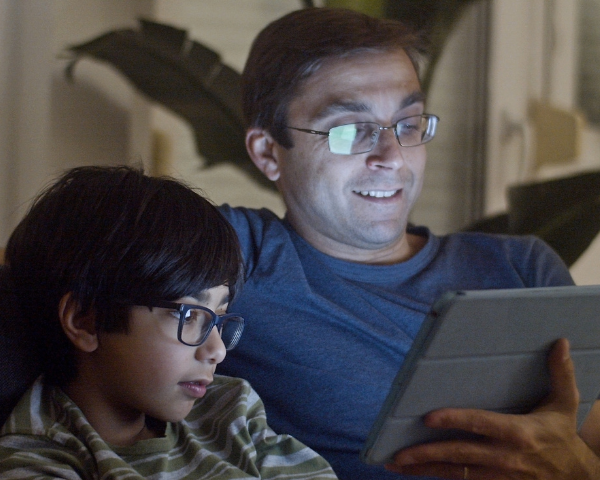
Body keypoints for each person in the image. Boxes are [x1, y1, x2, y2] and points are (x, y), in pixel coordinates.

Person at [215, 7, 600, 480]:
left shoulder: (521, 267)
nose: (393, 157)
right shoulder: (236, 255)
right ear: (267, 152)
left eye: (409, 123)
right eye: (352, 130)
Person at [0, 166, 337, 479]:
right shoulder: (41, 457)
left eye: (218, 319)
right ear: (86, 321)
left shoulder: (230, 410)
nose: (217, 350)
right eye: (189, 315)